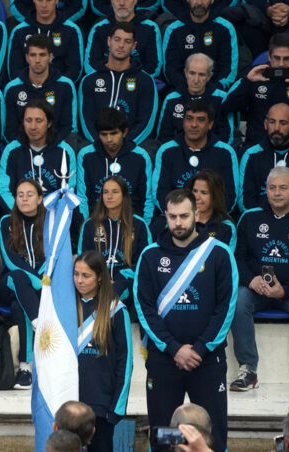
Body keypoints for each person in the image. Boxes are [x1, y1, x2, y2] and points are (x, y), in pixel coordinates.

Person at [134, 189, 237, 452]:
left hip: (207, 360)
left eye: (184, 216)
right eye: (172, 217)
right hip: (164, 360)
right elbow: (144, 309)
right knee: (164, 436)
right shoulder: (149, 255)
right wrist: (173, 348)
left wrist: (199, 348)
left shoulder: (218, 253)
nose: (178, 222)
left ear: (196, 214)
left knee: (213, 433)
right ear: (165, 216)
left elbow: (225, 308)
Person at [231, 167, 289, 392]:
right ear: (266, 191)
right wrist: (250, 279)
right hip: (256, 288)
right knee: (238, 300)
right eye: (272, 188)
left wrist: (286, 290)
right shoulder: (249, 218)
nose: (277, 193)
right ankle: (247, 369)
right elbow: (237, 257)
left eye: (283, 188)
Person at [72, 248, 133, 452]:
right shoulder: (66, 307)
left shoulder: (117, 310)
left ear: (99, 278)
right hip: (70, 405)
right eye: (76, 274)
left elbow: (125, 362)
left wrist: (116, 408)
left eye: (86, 275)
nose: (79, 280)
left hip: (101, 408)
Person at [152, 99, 239, 227]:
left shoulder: (225, 152)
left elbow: (229, 196)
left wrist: (203, 217)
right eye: (189, 118)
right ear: (183, 122)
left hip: (211, 220)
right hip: (176, 218)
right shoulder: (167, 151)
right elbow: (160, 193)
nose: (193, 124)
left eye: (200, 120)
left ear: (210, 124)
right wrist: (182, 215)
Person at [0, 179, 45, 388]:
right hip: (10, 284)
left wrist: (41, 281)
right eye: (20, 194)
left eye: (30, 194)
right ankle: (39, 324)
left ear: (40, 198)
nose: (24, 199)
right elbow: (10, 260)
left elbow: (52, 257)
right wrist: (36, 282)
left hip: (42, 285)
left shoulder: (50, 221)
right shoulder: (5, 221)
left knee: (20, 306)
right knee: (18, 277)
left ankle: (26, 368)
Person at [78, 22, 157, 145]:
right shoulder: (89, 81)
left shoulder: (145, 81)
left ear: (134, 46)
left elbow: (146, 122)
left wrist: (125, 145)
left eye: (127, 41)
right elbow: (86, 120)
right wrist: (100, 144)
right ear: (109, 41)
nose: (121, 45)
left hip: (131, 147)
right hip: (97, 147)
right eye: (117, 39)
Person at [78, 176, 150, 305]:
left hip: (126, 285)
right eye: (105, 192)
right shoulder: (90, 225)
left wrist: (122, 277)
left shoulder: (139, 224)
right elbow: (83, 260)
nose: (109, 196)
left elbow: (145, 262)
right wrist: (101, 280)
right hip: (96, 283)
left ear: (124, 195)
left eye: (115, 192)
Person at [76, 107, 154, 223]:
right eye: (104, 134)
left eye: (114, 133)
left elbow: (147, 199)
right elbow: (82, 198)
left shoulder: (140, 156)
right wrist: (86, 227)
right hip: (95, 221)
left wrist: (143, 227)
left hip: (131, 222)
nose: (109, 139)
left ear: (125, 132)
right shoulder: (86, 155)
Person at [0, 99, 77, 210]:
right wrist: (22, 211)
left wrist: (46, 215)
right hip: (20, 212)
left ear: (49, 123)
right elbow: (4, 190)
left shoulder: (65, 151)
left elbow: (68, 191)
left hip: (54, 215)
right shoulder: (11, 150)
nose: (33, 126)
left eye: (39, 120)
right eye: (28, 120)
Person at [3, 34, 77, 143]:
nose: (37, 60)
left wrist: (49, 149)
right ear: (27, 58)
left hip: (56, 148)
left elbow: (68, 127)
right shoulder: (12, 88)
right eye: (33, 55)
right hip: (23, 150)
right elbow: (10, 130)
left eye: (42, 55)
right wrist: (29, 149)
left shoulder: (65, 85)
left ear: (50, 57)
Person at [161, 0, 237, 91]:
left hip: (216, 91)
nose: (199, 2)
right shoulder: (173, 30)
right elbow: (171, 69)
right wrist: (189, 89)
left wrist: (210, 90)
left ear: (212, 1)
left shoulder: (226, 28)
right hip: (182, 91)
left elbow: (228, 68)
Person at [155, 54, 232, 143]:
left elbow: (225, 136)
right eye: (192, 73)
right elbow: (163, 136)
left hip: (212, 153)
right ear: (185, 73)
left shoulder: (221, 99)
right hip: (178, 153)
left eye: (201, 75)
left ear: (209, 76)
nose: (196, 80)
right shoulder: (171, 99)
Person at [7, 0, 83, 82]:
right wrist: (34, 87)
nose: (44, 5)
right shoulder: (19, 31)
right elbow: (14, 70)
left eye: (49, 0)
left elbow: (74, 69)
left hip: (60, 89)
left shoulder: (71, 30)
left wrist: (55, 86)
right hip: (27, 89)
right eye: (40, 0)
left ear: (57, 1)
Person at [84, 0, 161, 78]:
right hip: (105, 82)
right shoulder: (99, 28)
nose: (121, 3)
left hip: (136, 83)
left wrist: (125, 80)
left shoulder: (150, 28)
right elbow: (91, 65)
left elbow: (153, 67)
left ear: (135, 1)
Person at [185, 170, 236, 248]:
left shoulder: (226, 227)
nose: (197, 197)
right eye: (195, 191)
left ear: (215, 196)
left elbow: (224, 258)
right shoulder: (179, 218)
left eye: (204, 193)